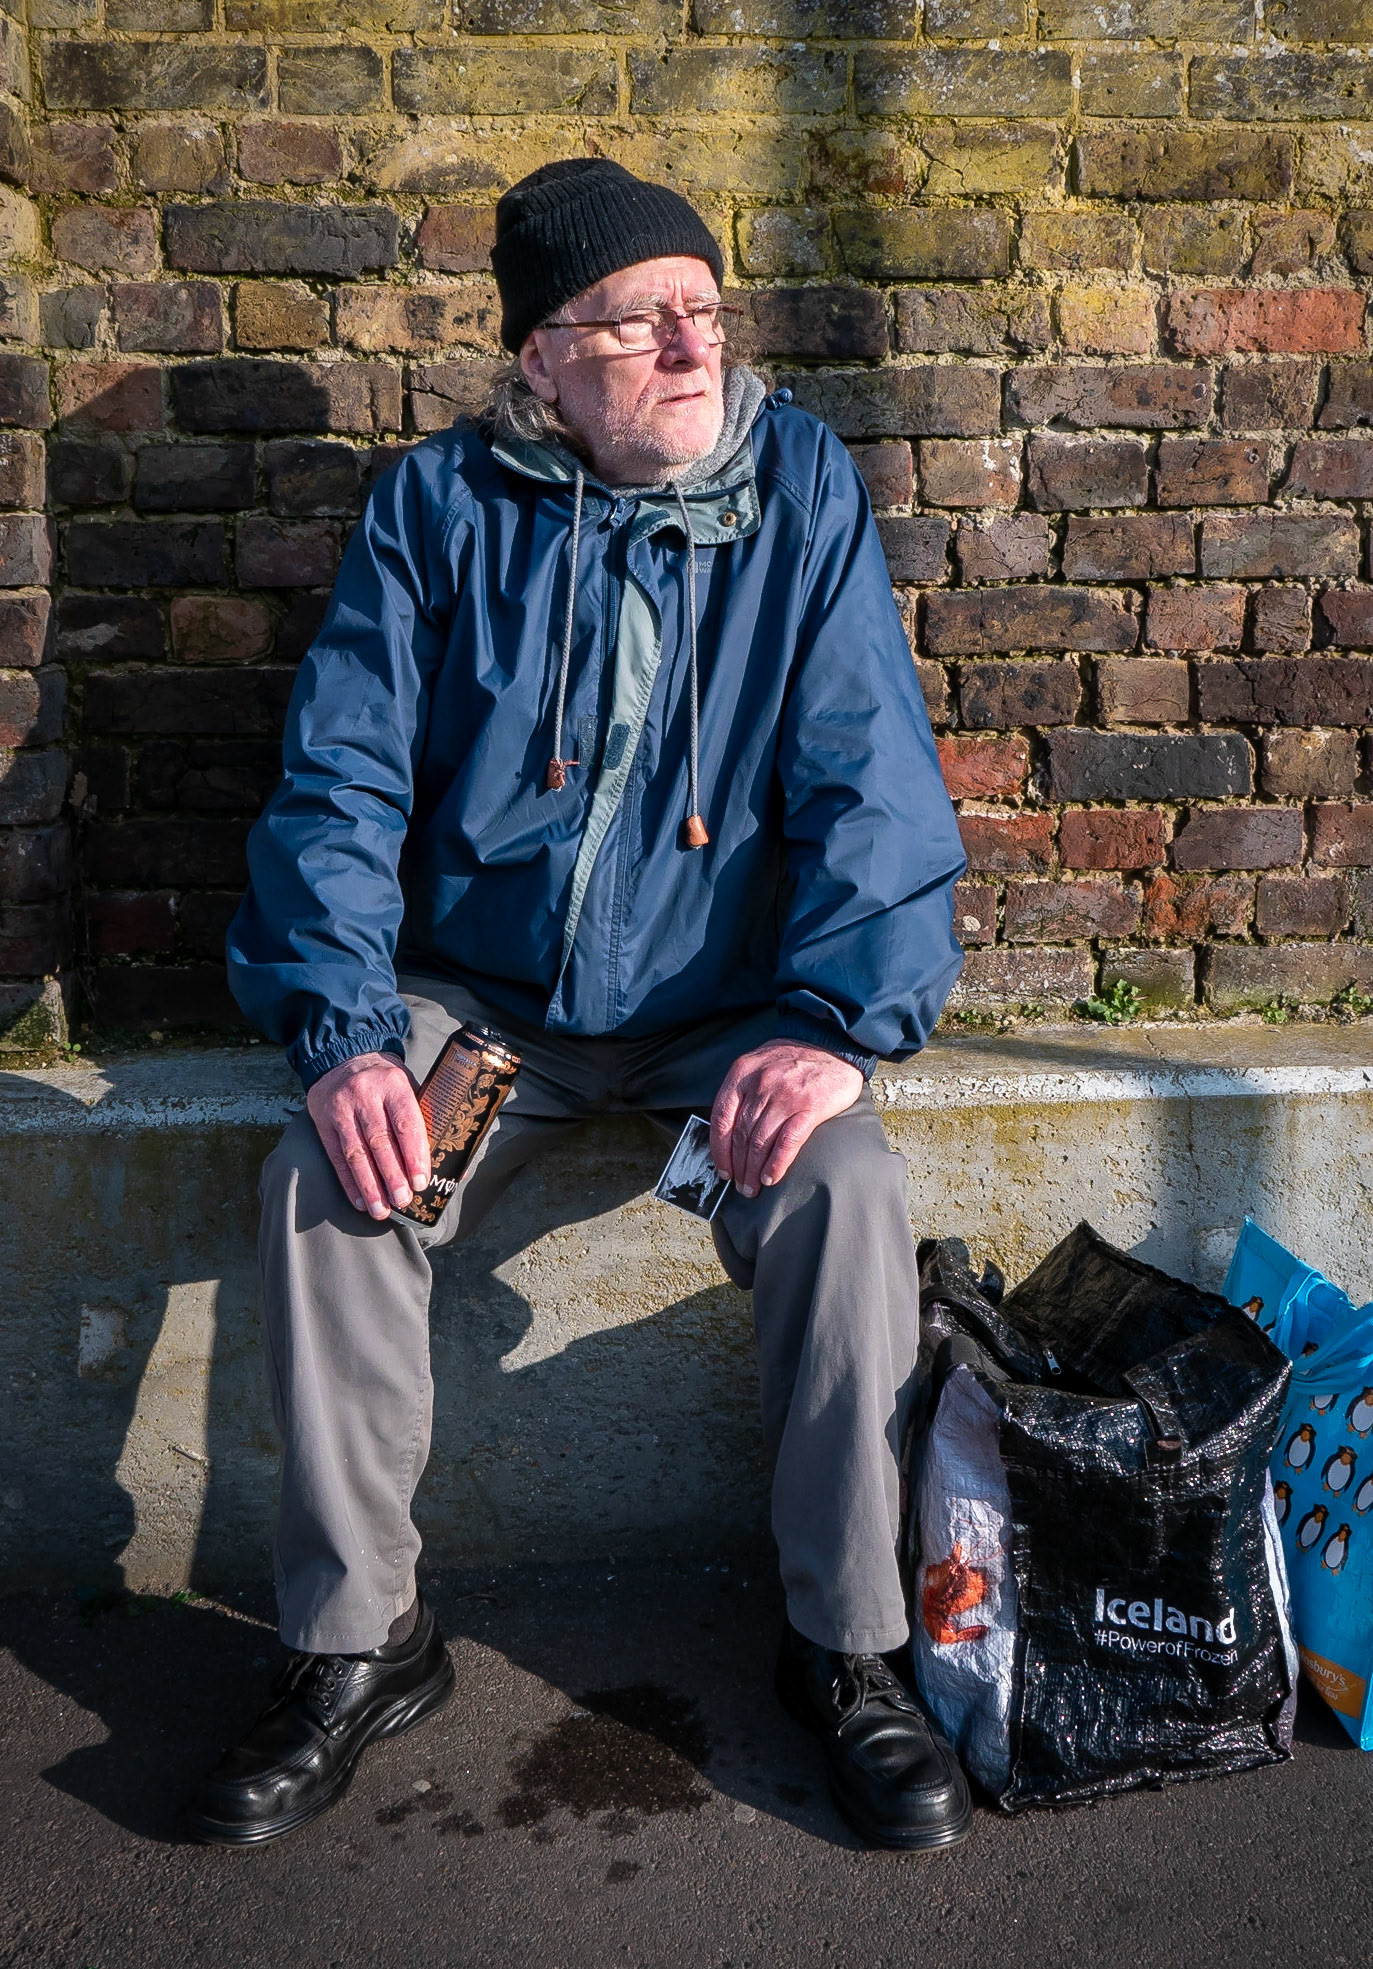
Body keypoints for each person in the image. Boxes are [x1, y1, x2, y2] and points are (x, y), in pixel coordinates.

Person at [195, 158, 969, 1852]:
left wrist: (835, 1024)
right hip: (489, 1006)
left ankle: (850, 1649)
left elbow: (873, 786)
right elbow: (337, 788)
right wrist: (341, 1035)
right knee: (332, 1186)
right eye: (643, 321)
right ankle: (357, 1646)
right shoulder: (437, 508)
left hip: (729, 1010)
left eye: (706, 309)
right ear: (544, 358)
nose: (694, 348)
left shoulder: (799, 492)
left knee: (849, 1198)